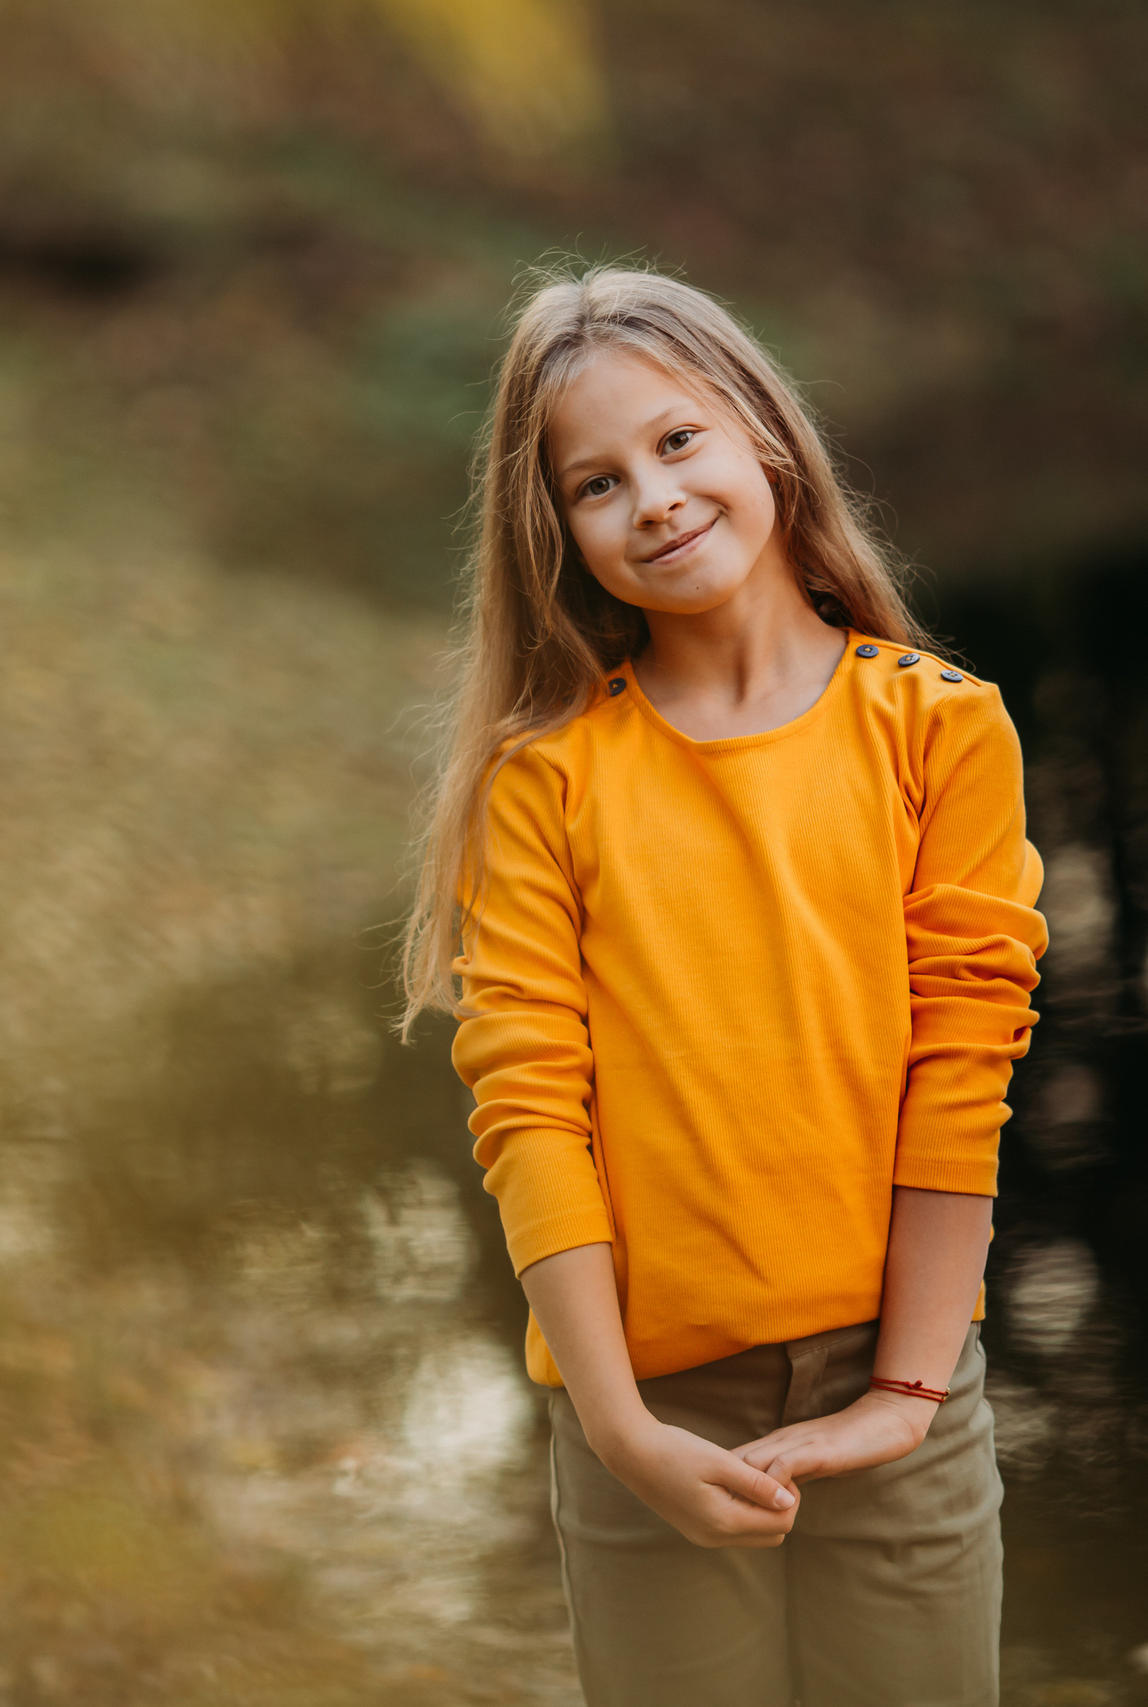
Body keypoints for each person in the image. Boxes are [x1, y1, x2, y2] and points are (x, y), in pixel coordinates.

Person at [397, 266, 1048, 1707]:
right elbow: (530, 1107)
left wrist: (901, 1398)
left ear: (762, 432)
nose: (656, 498)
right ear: (558, 532)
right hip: (647, 1414)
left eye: (679, 441)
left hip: (906, 1388)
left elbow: (963, 1070)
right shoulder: (547, 783)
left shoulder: (938, 730)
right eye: (597, 482)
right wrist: (622, 1430)